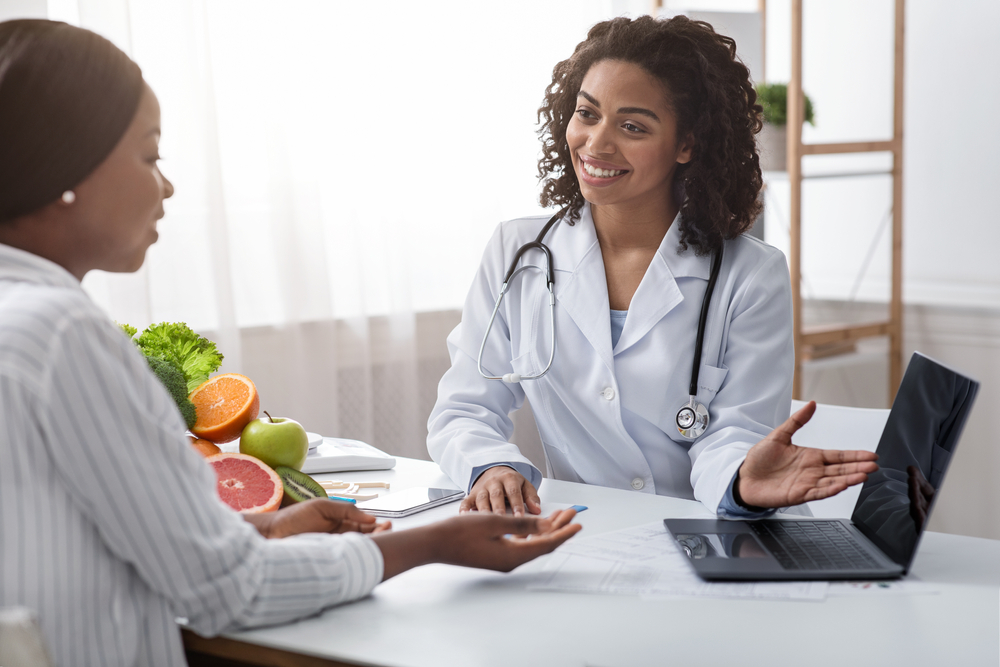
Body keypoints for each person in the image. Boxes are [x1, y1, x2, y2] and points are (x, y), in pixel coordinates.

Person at [0, 19, 580, 667]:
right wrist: (434, 543)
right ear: (64, 164)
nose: (166, 186)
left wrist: (266, 526)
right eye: (149, 155)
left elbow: (86, 526)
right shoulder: (62, 335)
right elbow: (231, 590)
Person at [428, 15, 878, 518]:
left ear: (687, 144)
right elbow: (464, 408)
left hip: (710, 532)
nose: (596, 144)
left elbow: (735, 438)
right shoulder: (522, 252)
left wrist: (742, 480)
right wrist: (491, 467)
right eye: (587, 114)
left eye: (632, 126)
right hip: (583, 534)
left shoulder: (751, 276)